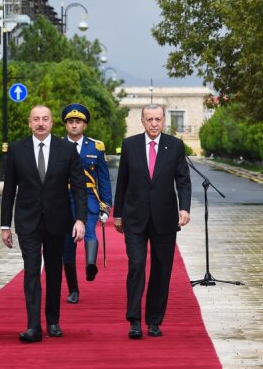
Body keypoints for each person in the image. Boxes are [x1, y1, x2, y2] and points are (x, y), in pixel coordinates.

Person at [0, 105, 86, 342]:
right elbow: (9, 190)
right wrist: (5, 225)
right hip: (27, 221)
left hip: (58, 221)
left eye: (45, 119)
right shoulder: (18, 150)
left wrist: (80, 219)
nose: (40, 123)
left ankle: (53, 321)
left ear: (52, 123)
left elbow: (79, 187)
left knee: (55, 271)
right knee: (31, 271)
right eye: (36, 119)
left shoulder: (67, 150)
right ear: (29, 123)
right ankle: (33, 326)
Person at [113, 104, 192, 339]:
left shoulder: (175, 146)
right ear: (142, 121)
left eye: (158, 119)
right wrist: (118, 214)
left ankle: (154, 320)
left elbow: (183, 180)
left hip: (165, 219)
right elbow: (122, 182)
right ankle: (134, 320)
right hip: (135, 218)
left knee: (161, 269)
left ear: (164, 120)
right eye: (150, 119)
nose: (154, 124)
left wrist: (184, 208)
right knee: (136, 265)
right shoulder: (130, 145)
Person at [60, 103, 113, 305]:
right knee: (67, 246)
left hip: (89, 196)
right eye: (71, 122)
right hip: (64, 198)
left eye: (78, 122)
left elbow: (104, 178)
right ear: (66, 125)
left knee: (89, 230)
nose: (74, 125)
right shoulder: (57, 145)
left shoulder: (96, 147)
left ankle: (91, 264)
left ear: (85, 125)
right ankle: (73, 289)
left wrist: (106, 205)